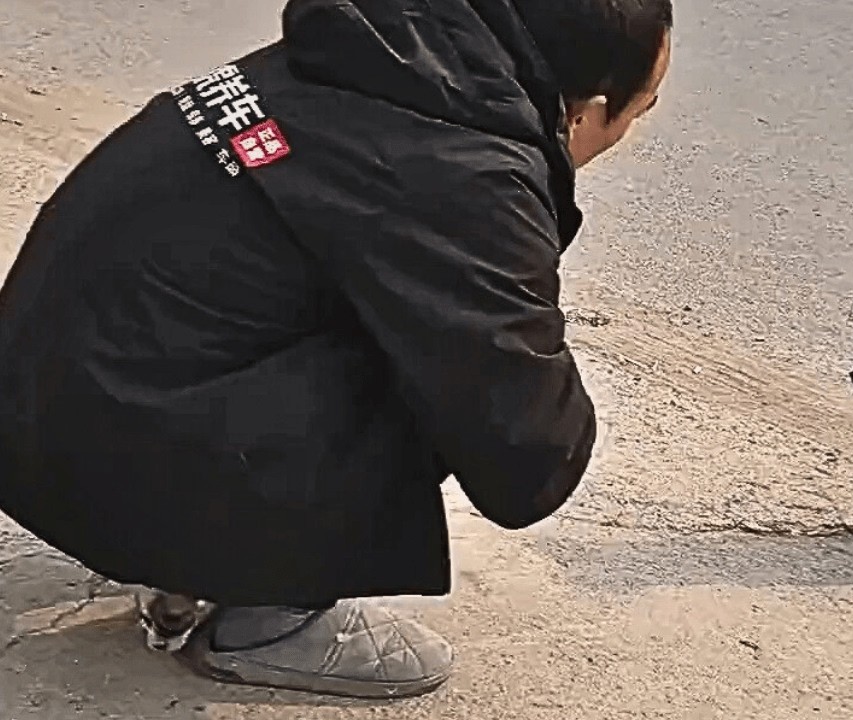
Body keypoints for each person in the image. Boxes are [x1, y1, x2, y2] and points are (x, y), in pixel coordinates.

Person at [0, 0, 672, 699]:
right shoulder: (465, 168)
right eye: (643, 108)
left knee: (388, 309)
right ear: (588, 112)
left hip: (34, 419)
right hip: (105, 467)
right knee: (446, 360)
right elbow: (532, 460)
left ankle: (180, 552)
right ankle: (266, 612)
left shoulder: (373, 56)